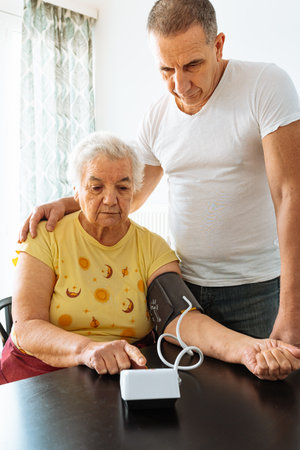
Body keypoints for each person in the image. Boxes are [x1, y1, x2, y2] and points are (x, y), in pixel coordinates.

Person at [19, 0, 300, 346]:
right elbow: (129, 195)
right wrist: (68, 202)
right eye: (166, 70)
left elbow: (291, 194)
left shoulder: (265, 85)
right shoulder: (156, 117)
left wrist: (293, 312)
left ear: (218, 45)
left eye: (192, 65)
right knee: (193, 397)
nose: (180, 85)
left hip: (254, 288)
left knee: (264, 396)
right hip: (184, 285)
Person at [2, 131, 300, 384]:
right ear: (76, 192)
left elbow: (180, 320)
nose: (110, 199)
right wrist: (86, 349)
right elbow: (27, 327)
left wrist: (249, 349)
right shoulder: (47, 235)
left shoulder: (153, 248)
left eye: (123, 187)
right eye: (96, 187)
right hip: (40, 374)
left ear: (135, 191)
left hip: (120, 374)